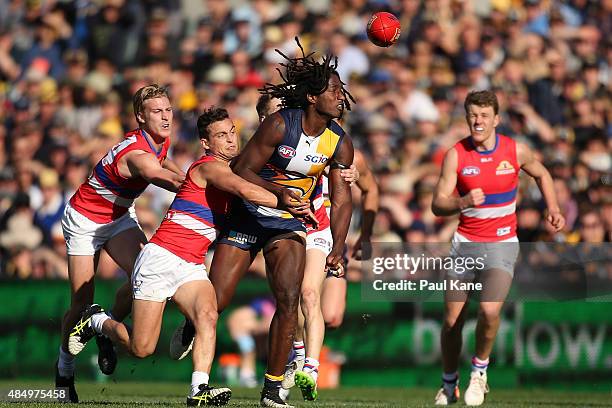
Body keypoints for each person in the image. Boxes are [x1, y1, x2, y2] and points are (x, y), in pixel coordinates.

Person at [67, 107, 308, 406]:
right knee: (142, 348)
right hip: (161, 258)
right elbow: (245, 189)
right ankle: (97, 320)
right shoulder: (209, 166)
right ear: (207, 143)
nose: (231, 140)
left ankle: (198, 390)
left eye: (232, 132)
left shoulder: (233, 166)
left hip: (191, 265)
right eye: (221, 135)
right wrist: (284, 200)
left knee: (208, 314)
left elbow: (258, 171)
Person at [431, 90, 565, 406]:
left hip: (502, 242)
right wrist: (462, 201)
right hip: (465, 244)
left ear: (496, 119)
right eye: (472, 115)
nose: (477, 121)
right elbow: (438, 204)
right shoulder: (456, 154)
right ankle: (449, 384)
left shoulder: (515, 150)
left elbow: (543, 173)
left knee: (490, 309)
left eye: (484, 116)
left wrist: (554, 207)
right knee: (452, 320)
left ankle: (480, 373)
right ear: (467, 117)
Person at [56, 84, 185, 402]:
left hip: (118, 217)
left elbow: (167, 165)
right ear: (141, 117)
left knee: (145, 274)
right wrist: (207, 181)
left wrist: (185, 173)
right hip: (84, 220)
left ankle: (104, 327)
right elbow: (161, 176)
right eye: (157, 111)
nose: (165, 116)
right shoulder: (137, 154)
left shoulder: (160, 139)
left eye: (168, 109)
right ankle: (64, 371)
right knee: (81, 301)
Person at [257, 93, 380, 401]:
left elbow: (369, 190)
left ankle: (311, 366)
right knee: (291, 301)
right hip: (286, 223)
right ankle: (300, 355)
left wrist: (364, 236)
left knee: (323, 307)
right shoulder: (278, 142)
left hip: (323, 227)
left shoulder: (342, 149)